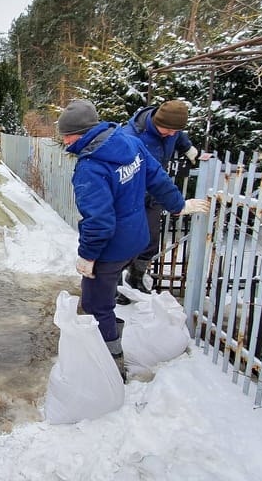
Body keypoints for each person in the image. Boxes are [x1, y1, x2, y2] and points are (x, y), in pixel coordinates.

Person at [58, 99, 208, 379]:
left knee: (94, 305)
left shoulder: (90, 168)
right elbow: (157, 178)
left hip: (111, 249)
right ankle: (112, 332)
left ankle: (112, 366)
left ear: (83, 132)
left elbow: (99, 221)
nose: (65, 141)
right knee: (106, 295)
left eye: (67, 135)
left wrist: (88, 256)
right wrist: (177, 205)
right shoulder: (129, 143)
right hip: (137, 237)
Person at [121, 100, 199, 293]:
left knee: (150, 240)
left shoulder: (172, 130)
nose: (172, 134)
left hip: (154, 195)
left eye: (175, 131)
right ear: (156, 121)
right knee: (126, 241)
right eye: (168, 130)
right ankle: (114, 285)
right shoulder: (131, 136)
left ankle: (135, 277)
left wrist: (188, 148)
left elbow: (178, 135)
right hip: (133, 196)